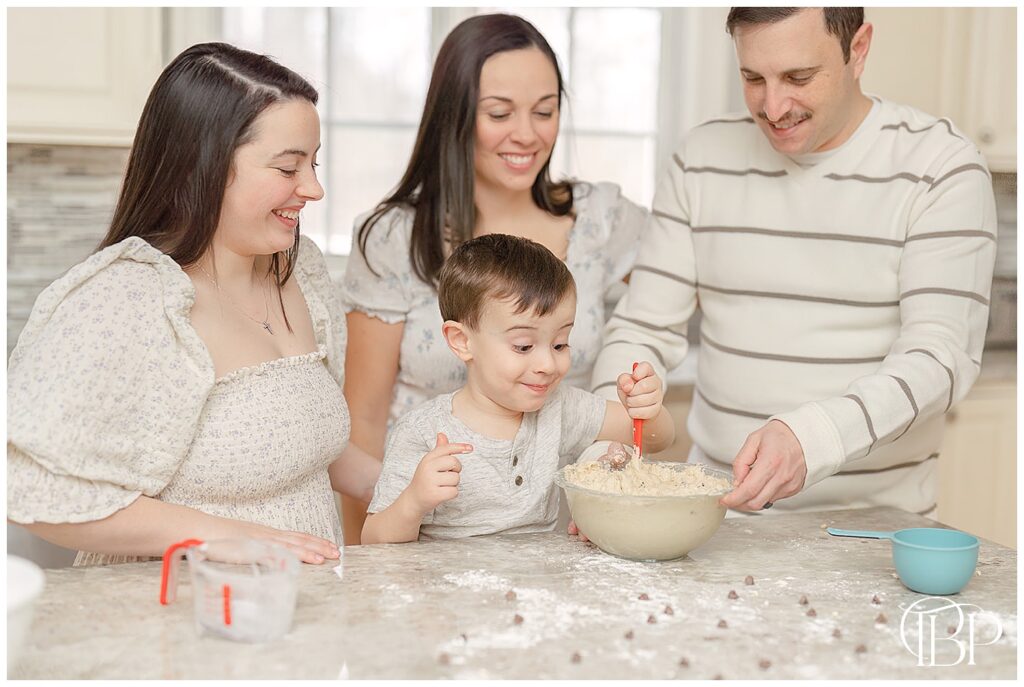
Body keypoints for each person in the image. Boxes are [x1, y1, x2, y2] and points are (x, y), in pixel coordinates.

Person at [587, 8, 997, 518]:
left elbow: (941, 358)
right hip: (715, 522)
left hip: (869, 531)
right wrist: (608, 444)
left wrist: (814, 437)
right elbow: (641, 328)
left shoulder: (941, 167)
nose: (773, 106)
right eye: (752, 77)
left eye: (798, 77)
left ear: (859, 48)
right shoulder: (702, 158)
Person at [7, 43, 381, 566]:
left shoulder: (299, 269)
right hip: (173, 623)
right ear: (203, 165)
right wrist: (215, 534)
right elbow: (27, 487)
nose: (313, 188)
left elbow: (298, 442)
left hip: (292, 622)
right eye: (287, 167)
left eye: (313, 164)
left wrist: (407, 487)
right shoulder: (127, 298)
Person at [340, 13, 649, 544]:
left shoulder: (601, 218)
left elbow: (665, 316)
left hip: (559, 532)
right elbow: (363, 422)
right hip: (436, 533)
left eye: (545, 111)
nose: (527, 135)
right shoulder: (394, 237)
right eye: (499, 113)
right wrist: (367, 562)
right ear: (454, 115)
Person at [361, 235, 673, 543]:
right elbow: (373, 540)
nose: (548, 364)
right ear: (461, 341)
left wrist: (647, 409)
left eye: (560, 343)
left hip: (536, 588)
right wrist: (413, 502)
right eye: (523, 346)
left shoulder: (558, 407)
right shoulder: (422, 431)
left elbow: (656, 439)